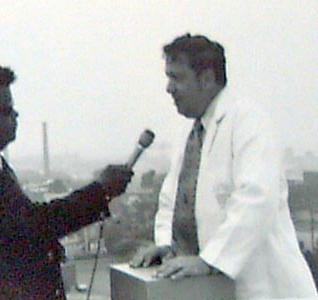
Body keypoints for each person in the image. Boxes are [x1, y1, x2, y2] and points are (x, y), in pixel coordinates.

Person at [130, 34, 317, 299]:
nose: (168, 88)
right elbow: (172, 199)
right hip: (214, 290)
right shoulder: (188, 130)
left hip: (263, 288)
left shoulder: (249, 121)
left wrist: (210, 260)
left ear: (206, 79)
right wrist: (167, 246)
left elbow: (257, 198)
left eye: (177, 78)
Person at [0, 62, 133, 300]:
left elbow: (18, 233)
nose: (16, 116)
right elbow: (33, 226)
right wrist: (99, 191)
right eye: (6, 110)